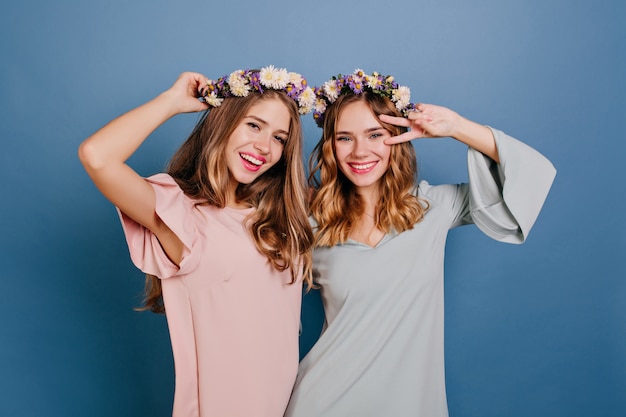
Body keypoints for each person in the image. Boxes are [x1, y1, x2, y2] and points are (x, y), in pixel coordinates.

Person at [284, 69, 556, 417]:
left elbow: (534, 172)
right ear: (330, 147)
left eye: (375, 134)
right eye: (344, 138)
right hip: (323, 403)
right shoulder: (312, 224)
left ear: (395, 138)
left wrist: (456, 127)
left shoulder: (432, 208)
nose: (360, 150)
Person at [78, 66, 316, 417]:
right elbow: (97, 156)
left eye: (280, 138)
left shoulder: (281, 216)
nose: (264, 147)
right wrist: (172, 101)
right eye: (254, 125)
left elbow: (368, 193)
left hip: (287, 406)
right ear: (224, 123)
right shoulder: (181, 215)